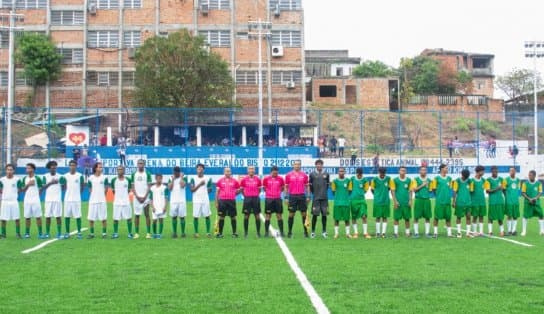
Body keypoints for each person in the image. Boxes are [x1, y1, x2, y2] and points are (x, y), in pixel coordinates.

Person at [285, 160, 310, 238]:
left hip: (302, 196)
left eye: (298, 164)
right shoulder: (288, 175)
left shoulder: (304, 175)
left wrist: (308, 196)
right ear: (293, 165)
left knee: (304, 214)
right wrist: (286, 197)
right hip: (292, 197)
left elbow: (307, 186)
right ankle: (289, 232)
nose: (297, 166)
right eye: (295, 164)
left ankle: (306, 232)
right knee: (291, 214)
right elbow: (286, 187)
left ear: (300, 165)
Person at [19, 163, 44, 239]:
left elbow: (41, 189)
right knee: (27, 217)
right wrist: (28, 184)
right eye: (27, 168)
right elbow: (23, 190)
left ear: (33, 169)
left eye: (29, 168)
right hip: (27, 200)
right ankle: (27, 233)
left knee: (38, 217)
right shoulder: (24, 179)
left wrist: (36, 197)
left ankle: (40, 233)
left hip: (35, 200)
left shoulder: (37, 178)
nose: (27, 170)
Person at [215, 167, 241, 238]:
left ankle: (234, 233)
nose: (228, 173)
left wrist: (238, 191)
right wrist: (216, 202)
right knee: (221, 217)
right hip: (222, 201)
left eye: (229, 171)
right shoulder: (220, 181)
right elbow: (217, 192)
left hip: (231, 201)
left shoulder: (235, 181)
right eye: (226, 171)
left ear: (230, 172)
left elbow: (238, 191)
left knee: (233, 217)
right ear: (224, 172)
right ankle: (220, 233)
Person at [62, 160, 84, 239]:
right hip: (67, 199)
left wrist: (78, 194)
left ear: (76, 166)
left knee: (78, 216)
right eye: (71, 165)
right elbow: (63, 187)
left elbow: (82, 186)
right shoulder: (65, 176)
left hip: (76, 200)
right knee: (67, 216)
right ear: (69, 166)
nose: (72, 167)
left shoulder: (80, 176)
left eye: (74, 165)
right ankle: (67, 232)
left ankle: (79, 232)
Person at [131, 159, 153, 239]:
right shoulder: (134, 174)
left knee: (147, 215)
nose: (140, 165)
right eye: (139, 163)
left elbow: (149, 186)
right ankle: (136, 233)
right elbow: (132, 187)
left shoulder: (148, 174)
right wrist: (137, 196)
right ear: (137, 164)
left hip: (145, 198)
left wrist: (144, 197)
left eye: (142, 163)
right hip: (137, 198)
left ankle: (148, 233)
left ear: (144, 165)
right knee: (137, 215)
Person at [190, 163, 213, 238]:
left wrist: (207, 190)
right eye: (198, 168)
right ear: (196, 170)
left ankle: (208, 232)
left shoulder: (208, 178)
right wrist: (200, 184)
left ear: (203, 169)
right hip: (196, 200)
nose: (199, 169)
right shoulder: (193, 178)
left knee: (207, 216)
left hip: (205, 200)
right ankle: (196, 233)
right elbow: (192, 190)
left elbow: (210, 189)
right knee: (196, 216)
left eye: (201, 168)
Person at [430, 164, 453, 238]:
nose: (447, 169)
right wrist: (438, 196)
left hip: (447, 201)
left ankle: (449, 234)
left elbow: (450, 189)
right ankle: (435, 233)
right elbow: (433, 189)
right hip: (439, 201)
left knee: (448, 217)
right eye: (446, 168)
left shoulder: (449, 178)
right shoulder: (436, 178)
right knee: (436, 217)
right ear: (441, 169)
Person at [42, 161, 63, 239]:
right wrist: (51, 183)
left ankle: (59, 233)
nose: (54, 168)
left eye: (55, 166)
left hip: (57, 199)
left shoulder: (60, 176)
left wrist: (62, 184)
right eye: (52, 166)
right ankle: (47, 233)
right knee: (48, 217)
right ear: (49, 168)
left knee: (58, 216)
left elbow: (64, 187)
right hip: (48, 200)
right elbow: (43, 187)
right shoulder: (45, 176)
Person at [87, 162, 108, 239]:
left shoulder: (104, 177)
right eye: (99, 167)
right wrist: (94, 195)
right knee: (91, 218)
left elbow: (106, 189)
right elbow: (89, 189)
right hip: (93, 201)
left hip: (102, 201)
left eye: (101, 167)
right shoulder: (91, 178)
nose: (101, 168)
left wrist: (101, 196)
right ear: (95, 168)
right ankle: (92, 234)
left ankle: (104, 233)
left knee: (103, 218)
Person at [111, 166, 133, 239]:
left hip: (126, 202)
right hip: (117, 202)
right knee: (115, 218)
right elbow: (113, 191)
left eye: (121, 169)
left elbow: (129, 190)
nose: (119, 171)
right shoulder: (113, 180)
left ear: (124, 170)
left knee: (129, 218)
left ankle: (130, 233)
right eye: (118, 169)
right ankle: (115, 233)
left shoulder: (128, 180)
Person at [309, 159, 330, 238]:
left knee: (324, 215)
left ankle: (324, 231)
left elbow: (327, 185)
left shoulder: (326, 174)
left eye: (320, 164)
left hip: (324, 198)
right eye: (318, 164)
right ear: (316, 165)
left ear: (322, 165)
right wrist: (315, 193)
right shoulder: (312, 174)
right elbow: (310, 186)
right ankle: (313, 232)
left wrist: (323, 192)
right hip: (316, 198)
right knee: (315, 215)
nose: (319, 165)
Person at [240, 166, 262, 238]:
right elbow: (242, 190)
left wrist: (255, 195)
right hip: (247, 199)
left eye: (252, 169)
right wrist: (246, 196)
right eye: (250, 169)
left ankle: (258, 233)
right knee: (246, 215)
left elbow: (259, 190)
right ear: (247, 170)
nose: (251, 170)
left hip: (256, 198)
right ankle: (246, 233)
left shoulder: (258, 179)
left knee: (257, 216)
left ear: (254, 170)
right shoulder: (244, 180)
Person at [263, 166, 285, 237]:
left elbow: (282, 188)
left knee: (279, 215)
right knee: (268, 216)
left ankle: (282, 232)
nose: (275, 174)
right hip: (269, 199)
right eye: (274, 172)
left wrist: (277, 193)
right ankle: (266, 232)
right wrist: (270, 194)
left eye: (276, 172)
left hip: (278, 199)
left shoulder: (281, 179)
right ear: (271, 172)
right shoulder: (266, 179)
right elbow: (264, 188)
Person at [0, 164, 22, 239]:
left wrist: (14, 195)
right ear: (6, 170)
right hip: (5, 201)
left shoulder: (17, 179)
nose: (9, 171)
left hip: (14, 201)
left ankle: (18, 234)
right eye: (8, 169)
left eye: (11, 169)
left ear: (13, 171)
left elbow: (19, 189)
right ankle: (3, 234)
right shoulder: (2, 180)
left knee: (17, 218)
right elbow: (0, 189)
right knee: (3, 218)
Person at [410, 166, 432, 238]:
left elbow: (430, 190)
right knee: (416, 217)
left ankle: (427, 233)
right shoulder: (416, 179)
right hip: (418, 200)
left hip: (426, 200)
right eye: (422, 170)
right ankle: (416, 233)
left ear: (426, 171)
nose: (423, 171)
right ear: (419, 171)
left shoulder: (429, 180)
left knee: (427, 217)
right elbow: (414, 190)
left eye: (425, 170)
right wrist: (422, 185)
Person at [391, 166, 412, 238]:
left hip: (406, 202)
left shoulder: (409, 180)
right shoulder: (395, 180)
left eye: (404, 171)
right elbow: (393, 191)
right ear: (399, 171)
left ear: (406, 172)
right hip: (398, 202)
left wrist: (410, 200)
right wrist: (395, 201)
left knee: (407, 218)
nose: (403, 172)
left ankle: (408, 233)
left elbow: (410, 191)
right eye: (401, 170)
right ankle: (395, 233)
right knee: (396, 218)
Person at [521, 170, 544, 236]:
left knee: (541, 215)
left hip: (536, 203)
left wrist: (535, 198)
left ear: (534, 176)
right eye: (529, 175)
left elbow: (540, 192)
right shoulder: (525, 183)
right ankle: (524, 231)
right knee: (525, 216)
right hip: (527, 203)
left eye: (530, 175)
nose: (529, 176)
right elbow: (523, 192)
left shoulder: (538, 183)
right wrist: (529, 199)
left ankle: (542, 230)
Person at [371, 167, 392, 238]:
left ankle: (383, 233)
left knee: (385, 217)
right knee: (378, 217)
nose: (382, 175)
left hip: (386, 201)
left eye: (384, 174)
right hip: (377, 201)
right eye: (381, 173)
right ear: (379, 172)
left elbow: (390, 188)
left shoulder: (388, 179)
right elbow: (372, 189)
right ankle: (377, 233)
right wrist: (377, 195)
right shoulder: (375, 179)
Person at [350, 167, 370, 239]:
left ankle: (365, 233)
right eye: (358, 174)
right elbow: (349, 188)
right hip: (353, 200)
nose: (359, 176)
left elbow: (366, 189)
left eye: (360, 174)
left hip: (362, 200)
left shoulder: (365, 180)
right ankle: (356, 233)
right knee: (354, 217)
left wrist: (361, 193)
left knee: (364, 216)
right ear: (356, 173)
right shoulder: (352, 179)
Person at [331, 167, 352, 239]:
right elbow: (333, 191)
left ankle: (348, 234)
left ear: (344, 172)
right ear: (338, 172)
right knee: (336, 219)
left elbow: (350, 191)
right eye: (340, 171)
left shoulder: (348, 181)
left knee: (347, 219)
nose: (341, 173)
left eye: (342, 171)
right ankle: (336, 234)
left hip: (346, 202)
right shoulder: (335, 181)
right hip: (337, 203)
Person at [452, 169, 473, 238]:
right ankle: (459, 232)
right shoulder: (457, 181)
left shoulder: (469, 181)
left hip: (468, 202)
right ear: (462, 175)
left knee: (468, 216)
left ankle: (468, 233)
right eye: (465, 176)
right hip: (459, 202)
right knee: (459, 217)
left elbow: (471, 191)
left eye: (467, 176)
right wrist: (454, 201)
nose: (467, 177)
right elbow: (454, 191)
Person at [485, 166, 505, 236]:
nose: (495, 172)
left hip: (500, 201)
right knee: (491, 217)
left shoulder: (501, 179)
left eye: (496, 171)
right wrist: (497, 188)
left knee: (500, 217)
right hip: (492, 201)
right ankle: (490, 231)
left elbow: (504, 190)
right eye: (494, 171)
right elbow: (487, 191)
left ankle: (502, 231)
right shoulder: (488, 180)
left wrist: (505, 196)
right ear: (491, 171)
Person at [168, 167, 188, 238]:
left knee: (182, 217)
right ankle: (174, 233)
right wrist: (173, 180)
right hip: (173, 201)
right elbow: (170, 188)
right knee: (174, 217)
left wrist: (181, 177)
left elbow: (182, 186)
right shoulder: (170, 178)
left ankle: (183, 233)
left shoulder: (184, 177)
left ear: (179, 172)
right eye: (174, 172)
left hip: (181, 201)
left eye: (177, 172)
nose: (175, 173)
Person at [503, 167, 521, 236]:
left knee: (515, 216)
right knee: (509, 215)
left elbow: (518, 189)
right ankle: (509, 230)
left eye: (513, 171)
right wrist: (507, 197)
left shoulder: (518, 180)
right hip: (509, 201)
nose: (512, 172)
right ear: (509, 172)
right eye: (510, 171)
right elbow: (503, 189)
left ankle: (514, 230)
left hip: (516, 200)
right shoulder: (506, 180)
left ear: (515, 172)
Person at [150, 174, 167, 239]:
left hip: (162, 207)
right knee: (154, 220)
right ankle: (154, 234)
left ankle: (159, 234)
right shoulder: (152, 188)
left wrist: (165, 206)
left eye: (160, 178)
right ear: (155, 179)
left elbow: (166, 198)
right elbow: (151, 199)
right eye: (157, 178)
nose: (159, 179)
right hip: (155, 207)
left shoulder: (164, 188)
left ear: (162, 178)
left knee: (161, 220)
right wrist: (152, 207)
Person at [471, 165, 487, 236]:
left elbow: (487, 190)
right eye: (482, 171)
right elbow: (470, 191)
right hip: (474, 202)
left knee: (481, 216)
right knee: (475, 216)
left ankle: (481, 232)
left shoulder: (484, 180)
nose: (483, 172)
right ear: (479, 171)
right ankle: (474, 231)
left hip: (482, 201)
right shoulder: (472, 180)